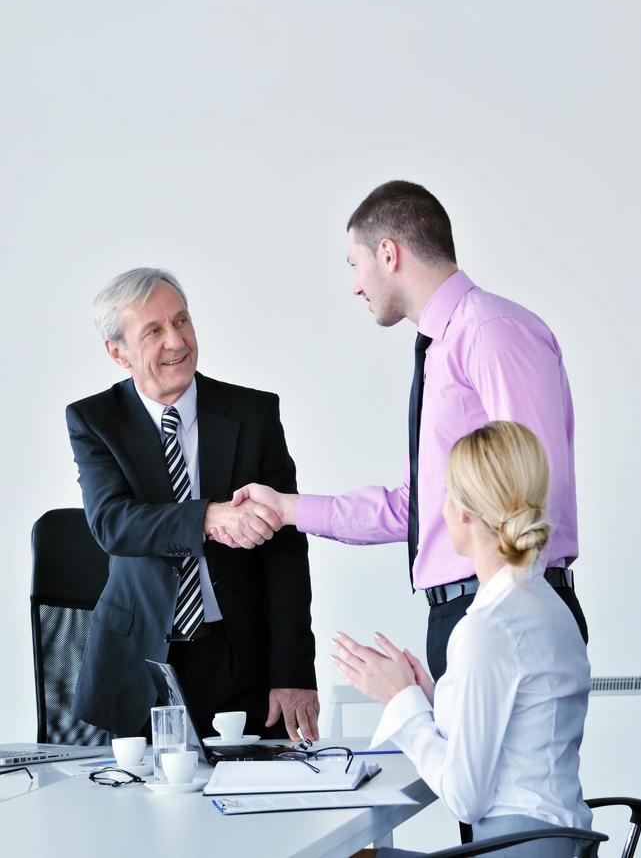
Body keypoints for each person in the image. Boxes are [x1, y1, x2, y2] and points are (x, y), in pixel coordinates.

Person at [232, 180, 587, 679]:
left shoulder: (490, 331)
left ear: (388, 253)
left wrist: (500, 614)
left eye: (355, 265)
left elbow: (534, 485)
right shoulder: (440, 348)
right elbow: (413, 509)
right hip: (465, 612)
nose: (356, 284)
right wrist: (287, 508)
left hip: (506, 609)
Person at [66, 267, 319, 740]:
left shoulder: (254, 414)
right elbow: (112, 522)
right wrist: (206, 516)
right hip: (137, 664)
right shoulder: (94, 420)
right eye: (154, 331)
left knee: (259, 807)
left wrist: (294, 672)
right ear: (117, 352)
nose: (176, 341)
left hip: (239, 659)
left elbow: (286, 553)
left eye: (181, 321)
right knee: (130, 812)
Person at [333, 421, 592, 858]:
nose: (442, 508)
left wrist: (401, 703)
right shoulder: (543, 602)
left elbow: (464, 797)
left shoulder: (488, 628)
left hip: (516, 847)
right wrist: (428, 697)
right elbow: (516, 724)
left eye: (448, 493)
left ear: (468, 512)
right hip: (557, 841)